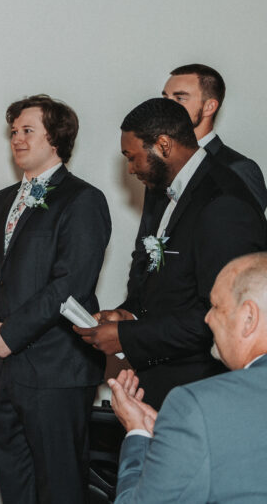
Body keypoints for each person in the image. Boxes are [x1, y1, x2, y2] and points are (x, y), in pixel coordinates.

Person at [76, 98, 266, 408]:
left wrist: (127, 336)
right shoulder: (170, 192)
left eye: (133, 157)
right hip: (164, 381)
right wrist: (130, 314)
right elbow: (168, 280)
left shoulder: (222, 202)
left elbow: (217, 316)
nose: (130, 168)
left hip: (200, 389)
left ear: (163, 144)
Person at [0, 95, 111, 504]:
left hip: (56, 372)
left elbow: (71, 284)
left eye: (27, 130)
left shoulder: (83, 199)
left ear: (56, 138)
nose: (17, 138)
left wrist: (13, 332)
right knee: (14, 489)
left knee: (61, 490)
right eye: (13, 132)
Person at [107, 252, 267, 502]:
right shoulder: (202, 417)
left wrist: (139, 433)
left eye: (215, 306)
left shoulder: (196, 406)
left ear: (249, 318)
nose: (207, 319)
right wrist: (178, 434)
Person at [162, 63, 267, 210]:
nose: (167, 107)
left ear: (209, 107)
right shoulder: (159, 164)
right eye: (165, 98)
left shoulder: (239, 168)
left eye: (180, 98)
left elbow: (248, 229)